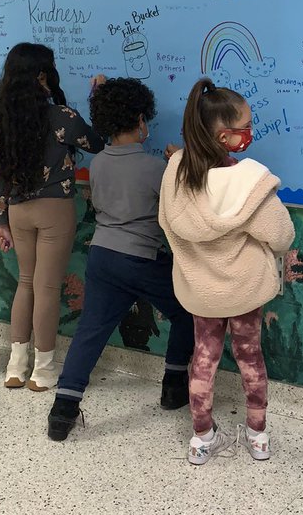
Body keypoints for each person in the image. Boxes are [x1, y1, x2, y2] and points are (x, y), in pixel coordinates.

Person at [46, 78, 194, 441]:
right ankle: (173, 387)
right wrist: (179, 164)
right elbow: (179, 207)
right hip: (140, 259)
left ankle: (62, 411)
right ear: (141, 120)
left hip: (102, 256)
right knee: (186, 312)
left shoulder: (97, 165)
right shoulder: (153, 168)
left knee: (90, 332)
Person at [159, 78, 294, 466]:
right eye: (244, 127)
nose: (250, 134)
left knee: (203, 356)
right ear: (223, 136)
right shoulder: (249, 181)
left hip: (201, 291)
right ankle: (258, 437)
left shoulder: (176, 174)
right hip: (244, 290)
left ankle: (201, 439)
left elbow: (168, 224)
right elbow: (281, 235)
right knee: (251, 357)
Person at [0, 44, 104, 391]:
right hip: (55, 209)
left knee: (26, 283)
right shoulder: (62, 117)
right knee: (47, 287)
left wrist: (0, 221)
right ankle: (44, 370)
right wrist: (97, 95)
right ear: (42, 76)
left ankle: (15, 366)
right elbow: (97, 143)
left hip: (18, 211)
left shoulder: (3, 121)